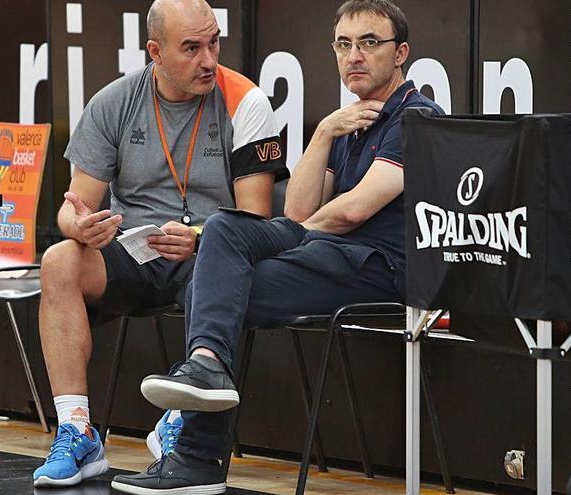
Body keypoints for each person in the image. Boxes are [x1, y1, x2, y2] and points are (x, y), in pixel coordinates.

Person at [111, 1, 444, 493]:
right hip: (325, 247)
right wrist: (326, 131)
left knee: (227, 287)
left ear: (402, 54)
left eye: (370, 43)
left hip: (376, 265)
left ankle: (198, 455)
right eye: (344, 44)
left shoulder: (416, 115)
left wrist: (301, 235)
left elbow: (353, 210)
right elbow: (298, 210)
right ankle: (205, 367)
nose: (355, 55)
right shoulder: (352, 119)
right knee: (225, 227)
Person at [31, 0, 287, 488]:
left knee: (219, 268)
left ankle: (180, 424)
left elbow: (255, 222)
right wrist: (81, 228)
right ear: (155, 52)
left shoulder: (246, 101)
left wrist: (197, 238)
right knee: (61, 260)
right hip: (137, 250)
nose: (208, 60)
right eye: (191, 48)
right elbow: (72, 207)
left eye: (214, 43)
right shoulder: (113, 102)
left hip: (212, 254)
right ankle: (77, 431)